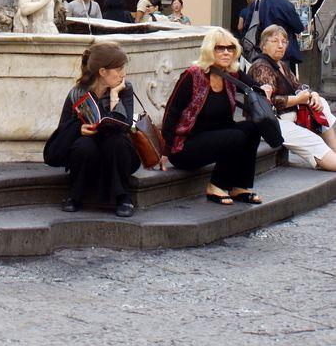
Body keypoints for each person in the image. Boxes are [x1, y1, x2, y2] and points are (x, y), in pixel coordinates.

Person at [162, 27, 268, 205]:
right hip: (186, 146)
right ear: (209, 50)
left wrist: (266, 89)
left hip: (218, 138)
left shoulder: (231, 73)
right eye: (220, 48)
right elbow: (172, 112)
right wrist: (165, 150)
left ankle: (239, 186)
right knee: (235, 136)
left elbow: (255, 88)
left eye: (230, 48)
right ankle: (216, 185)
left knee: (252, 127)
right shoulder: (193, 75)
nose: (226, 52)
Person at [43, 42, 140, 217]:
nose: (123, 74)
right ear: (102, 72)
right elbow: (63, 128)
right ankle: (75, 195)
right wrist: (79, 129)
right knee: (83, 145)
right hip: (89, 152)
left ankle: (123, 197)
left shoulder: (125, 89)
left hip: (115, 152)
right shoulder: (78, 93)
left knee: (116, 141)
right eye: (118, 69)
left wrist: (114, 96)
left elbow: (124, 125)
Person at [249, 25, 336, 171]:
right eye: (275, 41)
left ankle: (333, 148)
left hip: (288, 116)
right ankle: (331, 160)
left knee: (320, 102)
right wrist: (298, 100)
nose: (280, 45)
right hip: (271, 122)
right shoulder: (261, 67)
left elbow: (299, 86)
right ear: (263, 45)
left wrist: (313, 94)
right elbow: (266, 102)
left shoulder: (281, 64)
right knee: (312, 141)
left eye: (284, 41)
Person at [258, 0, 304, 66]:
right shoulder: (286, 5)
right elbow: (299, 27)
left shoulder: (263, 1)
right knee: (283, 79)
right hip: (282, 52)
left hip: (266, 49)